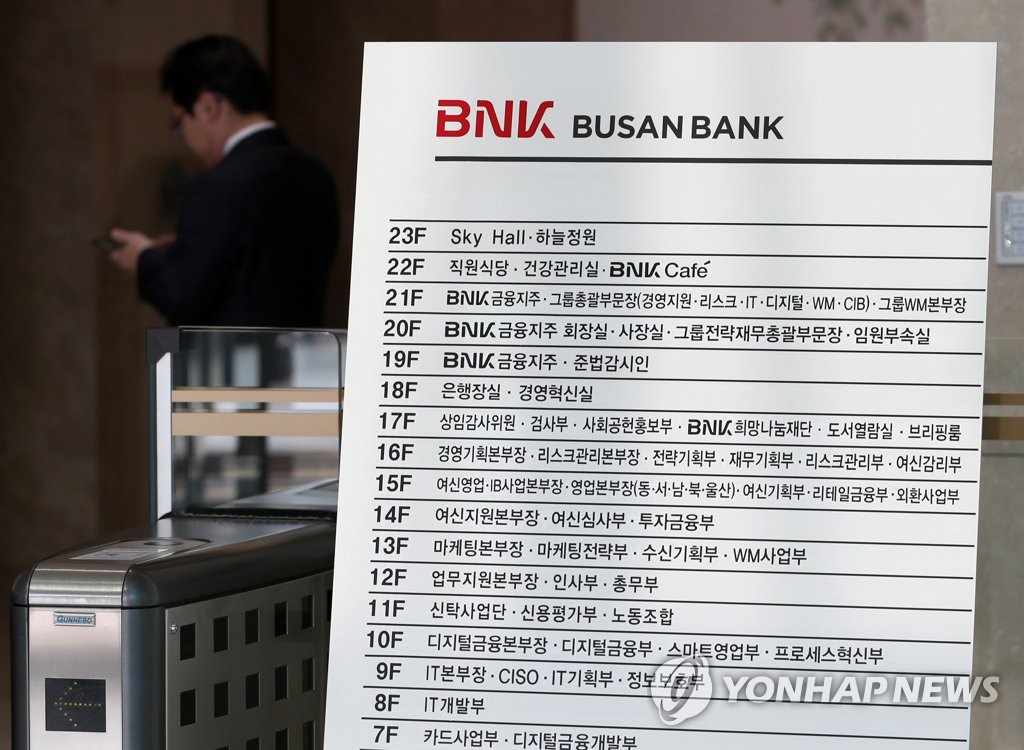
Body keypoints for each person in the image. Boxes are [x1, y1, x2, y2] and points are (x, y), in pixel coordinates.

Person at [108, 34, 339, 327]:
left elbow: (179, 296)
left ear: (208, 106)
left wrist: (143, 258)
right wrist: (190, 247)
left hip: (234, 355)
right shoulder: (315, 174)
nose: (183, 137)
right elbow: (260, 264)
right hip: (308, 353)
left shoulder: (217, 186)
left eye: (178, 122)